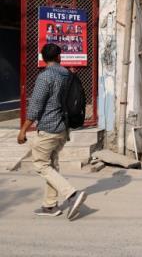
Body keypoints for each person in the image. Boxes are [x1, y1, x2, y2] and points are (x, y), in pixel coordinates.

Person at [17, 43, 87, 219]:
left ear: (43, 58)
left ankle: (72, 194)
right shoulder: (67, 74)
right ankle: (50, 205)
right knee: (52, 165)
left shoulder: (45, 77)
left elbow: (35, 106)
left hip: (49, 127)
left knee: (40, 164)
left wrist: (23, 130)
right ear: (59, 57)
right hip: (64, 127)